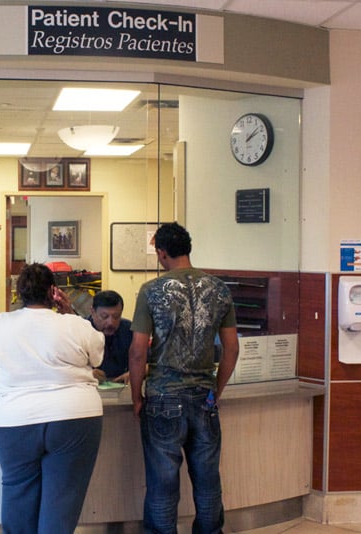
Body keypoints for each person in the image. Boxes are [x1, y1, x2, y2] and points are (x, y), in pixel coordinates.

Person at [0, 263, 104, 533]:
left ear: (19, 293)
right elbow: (97, 357)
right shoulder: (75, 325)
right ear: (53, 291)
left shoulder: (0, 324)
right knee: (62, 500)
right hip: (74, 418)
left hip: (16, 421)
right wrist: (69, 312)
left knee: (18, 494)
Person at [128, 222, 239, 534]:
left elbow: (138, 351)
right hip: (203, 396)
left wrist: (137, 397)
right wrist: (216, 390)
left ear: (162, 253)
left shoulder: (151, 291)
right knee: (207, 479)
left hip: (163, 396)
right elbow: (231, 348)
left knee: (163, 482)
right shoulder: (219, 289)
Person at [89, 290, 133, 384]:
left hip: (122, 388)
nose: (111, 322)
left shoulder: (129, 330)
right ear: (93, 312)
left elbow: (151, 365)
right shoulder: (80, 330)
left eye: (116, 316)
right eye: (104, 316)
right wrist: (86, 373)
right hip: (89, 388)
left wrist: (134, 373)